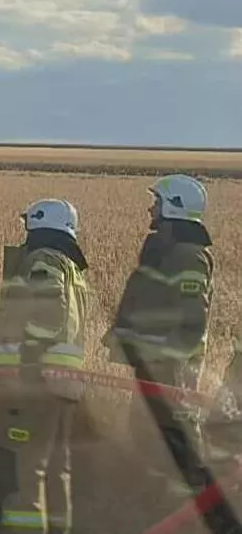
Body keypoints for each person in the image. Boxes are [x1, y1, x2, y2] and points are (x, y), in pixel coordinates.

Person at [0, 198, 90, 534]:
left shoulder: (42, 261)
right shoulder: (72, 267)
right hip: (62, 389)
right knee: (55, 468)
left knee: (22, 469)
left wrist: (20, 361)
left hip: (32, 388)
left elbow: (48, 317)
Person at [105, 174, 214, 491]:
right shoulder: (165, 250)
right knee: (146, 430)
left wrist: (172, 364)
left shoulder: (188, 256)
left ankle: (188, 498)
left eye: (157, 202)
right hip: (153, 362)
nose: (151, 209)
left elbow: (192, 316)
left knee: (173, 429)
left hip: (170, 366)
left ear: (174, 207)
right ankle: (153, 494)